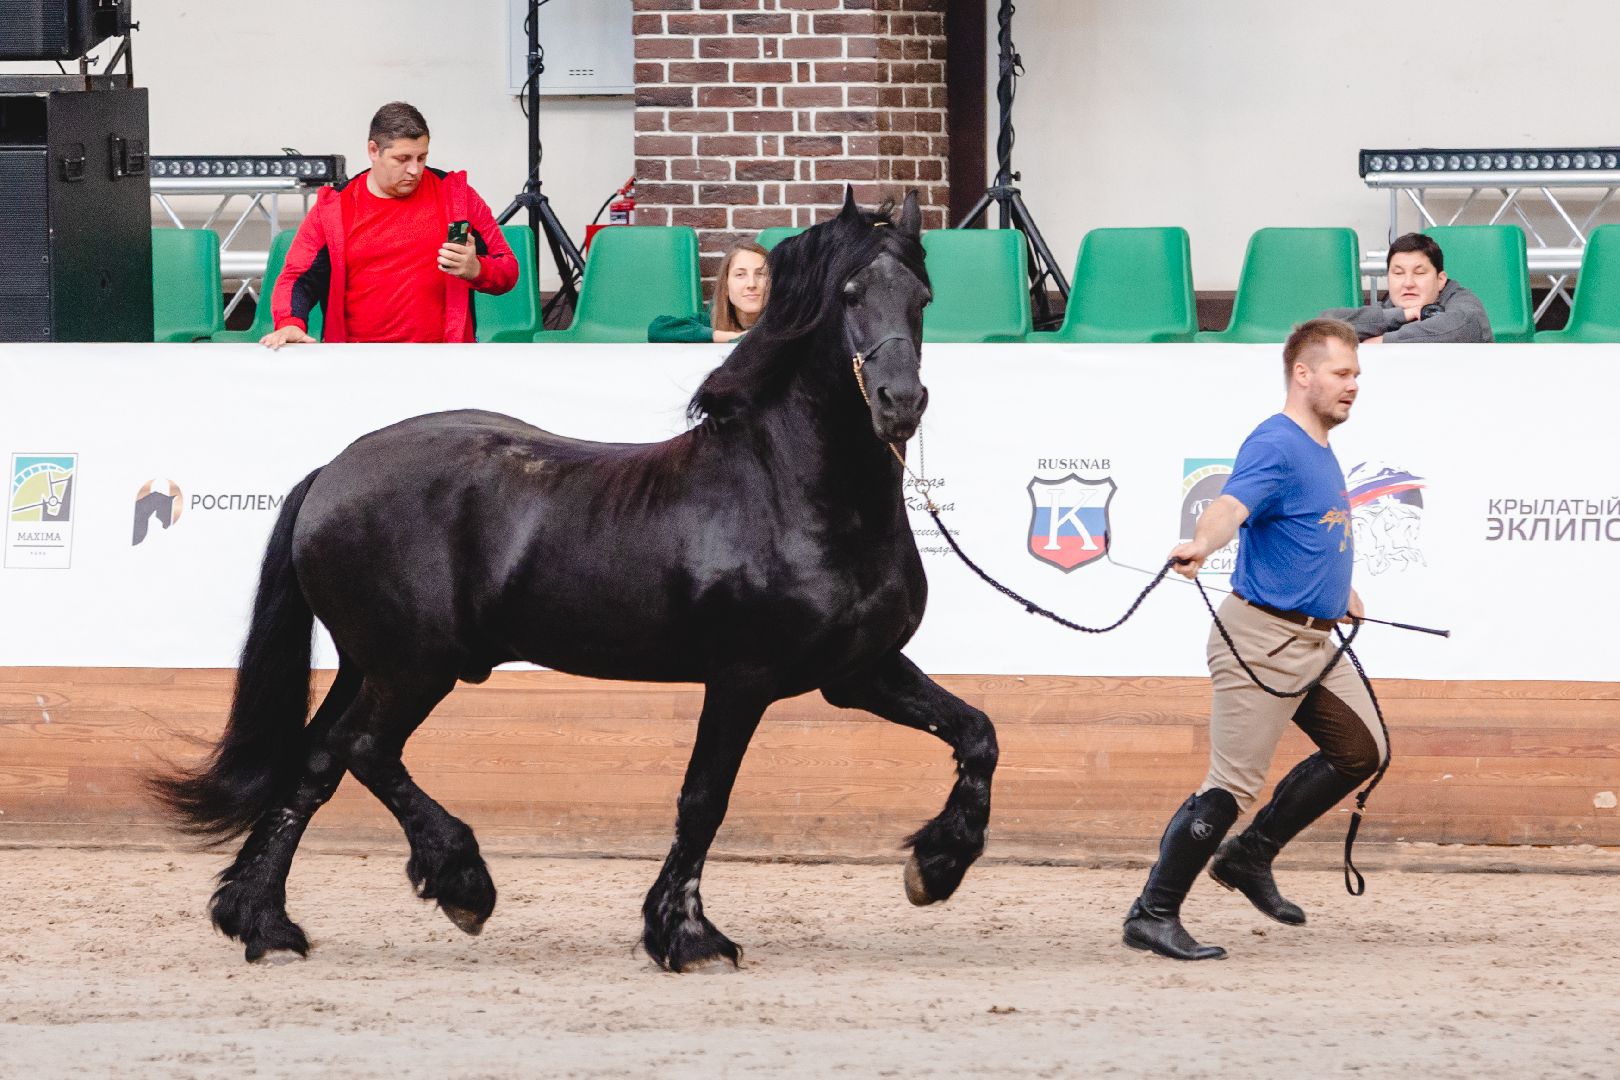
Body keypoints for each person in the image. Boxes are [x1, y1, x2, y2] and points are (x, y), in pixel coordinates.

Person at [1123, 318, 1388, 961]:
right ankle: (1152, 913)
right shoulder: (1277, 443)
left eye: (1356, 375)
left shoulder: (1318, 448)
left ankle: (1249, 856)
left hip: (1314, 641)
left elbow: (1302, 529)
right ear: (1303, 374)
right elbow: (1231, 507)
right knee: (1230, 787)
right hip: (1261, 643)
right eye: (1342, 373)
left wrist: (1335, 592)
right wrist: (1202, 544)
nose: (1354, 385)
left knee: (1362, 750)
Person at [260, 102, 517, 348]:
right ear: (374, 150)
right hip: (355, 358)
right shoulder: (335, 208)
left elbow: (507, 268)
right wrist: (291, 322)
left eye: (421, 157)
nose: (414, 170)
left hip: (442, 356)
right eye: (402, 158)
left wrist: (477, 269)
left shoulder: (456, 197)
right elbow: (298, 277)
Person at [1320, 232, 1491, 344]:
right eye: (1398, 273)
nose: (1408, 283)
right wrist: (1403, 314)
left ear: (1440, 279)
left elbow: (1463, 325)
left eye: (1419, 272)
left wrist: (1384, 341)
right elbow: (1324, 326)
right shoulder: (1390, 308)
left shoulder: (1460, 299)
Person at [648, 241, 769, 343]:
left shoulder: (786, 324)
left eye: (760, 274)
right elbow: (658, 329)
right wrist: (731, 337)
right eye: (740, 274)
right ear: (725, 287)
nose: (751, 284)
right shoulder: (710, 321)